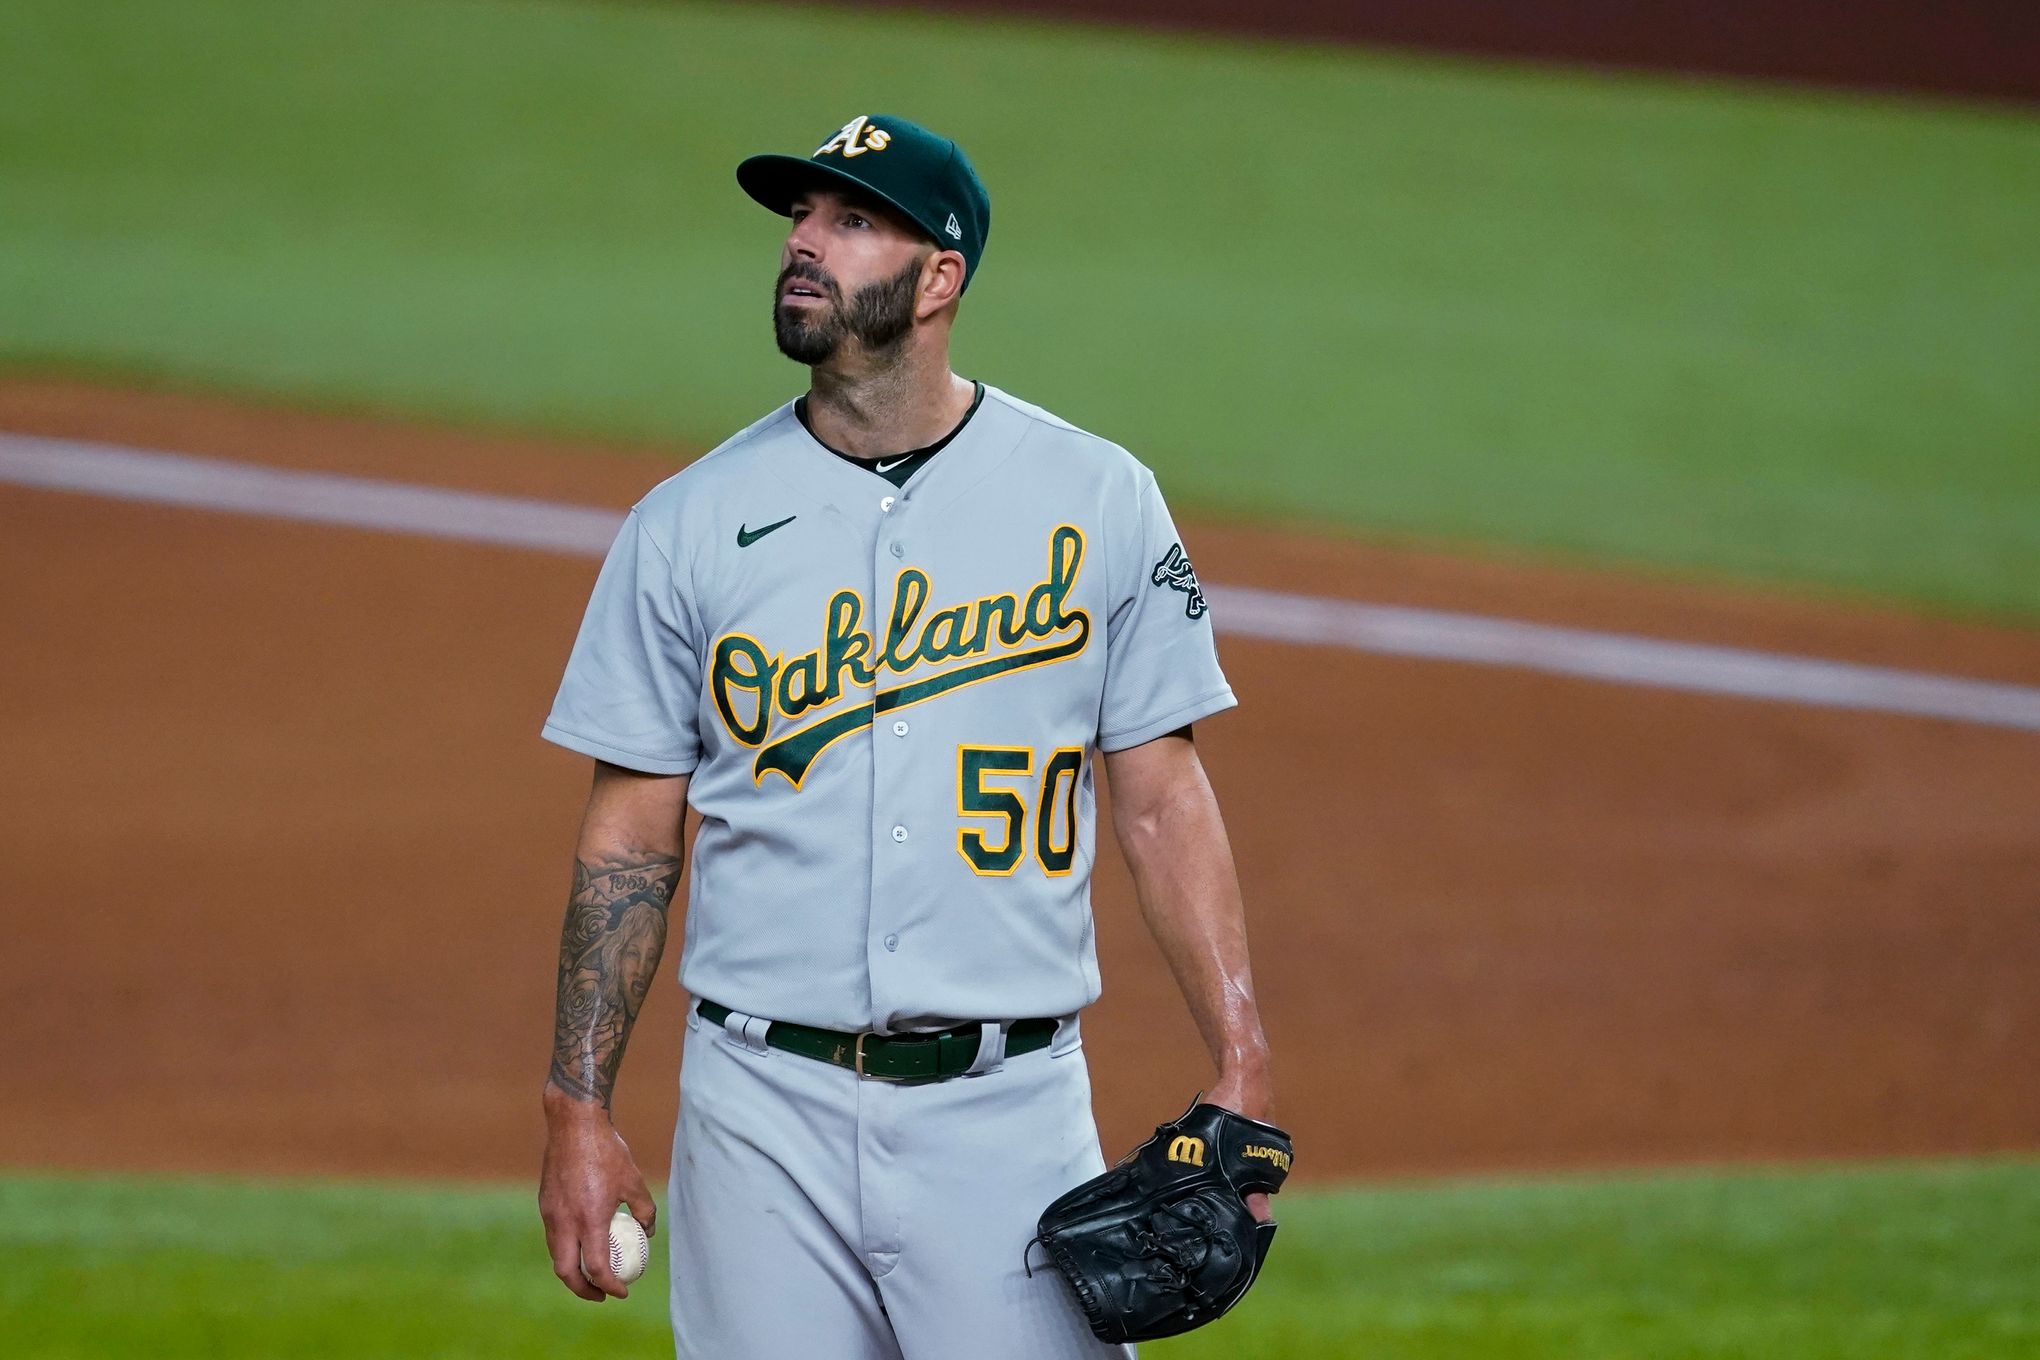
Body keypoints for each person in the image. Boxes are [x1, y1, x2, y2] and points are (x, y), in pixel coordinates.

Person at [536, 113, 1275, 1359]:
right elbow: (631, 832)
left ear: (942, 278)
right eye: (802, 216)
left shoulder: (1098, 498)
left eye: (852, 220)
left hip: (1010, 1117)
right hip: (757, 1113)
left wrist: (1240, 1054)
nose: (804, 243)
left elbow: (1159, 795)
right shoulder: (686, 524)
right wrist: (577, 1106)